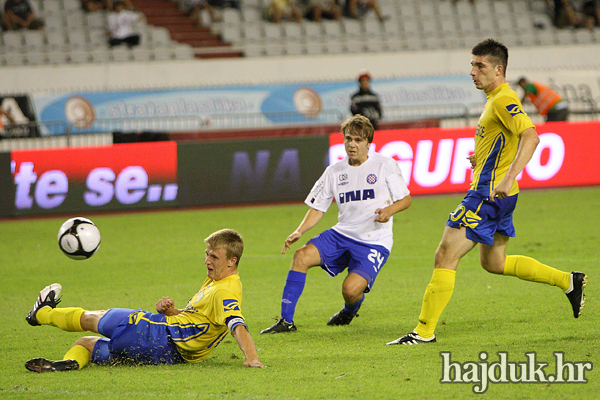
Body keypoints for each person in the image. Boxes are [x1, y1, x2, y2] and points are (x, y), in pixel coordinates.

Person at [387, 38, 587, 346]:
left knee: (445, 253)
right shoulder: (494, 99)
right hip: (501, 195)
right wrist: (481, 158)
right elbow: (506, 141)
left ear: (498, 69)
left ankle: (423, 332)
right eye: (471, 64)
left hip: (488, 195)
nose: (472, 71)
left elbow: (531, 137)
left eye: (479, 65)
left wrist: (507, 178)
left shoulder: (505, 100)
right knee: (494, 263)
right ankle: (567, 281)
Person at [24, 229, 264, 372]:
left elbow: (236, 324)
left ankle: (40, 314)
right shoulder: (216, 282)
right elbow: (200, 321)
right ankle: (70, 364)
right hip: (168, 356)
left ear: (232, 260)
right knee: (86, 343)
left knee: (90, 319)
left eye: (214, 256)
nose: (207, 261)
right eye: (206, 254)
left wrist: (252, 358)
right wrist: (173, 311)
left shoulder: (226, 290)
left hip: (155, 333)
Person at [261, 114, 412, 334]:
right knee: (301, 257)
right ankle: (286, 321)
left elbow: (405, 199)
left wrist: (389, 211)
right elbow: (318, 208)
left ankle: (349, 311)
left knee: (350, 290)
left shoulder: (385, 165)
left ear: (368, 143)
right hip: (342, 234)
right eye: (348, 138)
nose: (352, 144)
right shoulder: (334, 172)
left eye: (358, 140)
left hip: (374, 241)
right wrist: (299, 231)